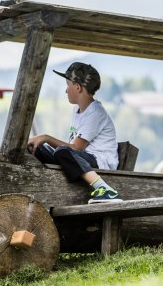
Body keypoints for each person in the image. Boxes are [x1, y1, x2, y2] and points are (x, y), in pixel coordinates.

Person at [27, 62, 122, 203]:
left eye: (68, 85)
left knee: (62, 152)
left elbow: (76, 148)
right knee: (38, 149)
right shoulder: (77, 111)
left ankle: (104, 188)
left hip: (99, 163)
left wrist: (45, 137)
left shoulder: (95, 112)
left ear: (77, 87)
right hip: (80, 159)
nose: (66, 91)